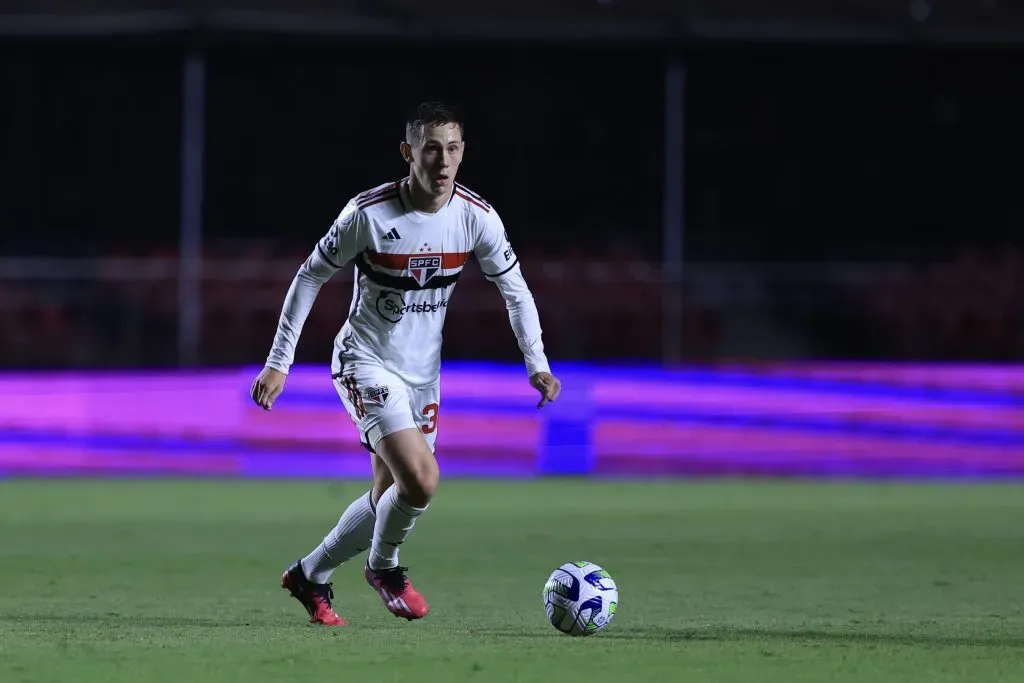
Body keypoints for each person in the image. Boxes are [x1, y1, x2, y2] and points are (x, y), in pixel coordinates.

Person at [249, 101, 561, 626]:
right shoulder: (368, 215)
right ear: (408, 152)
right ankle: (384, 567)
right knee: (420, 480)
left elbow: (515, 290)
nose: (443, 162)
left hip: (422, 374)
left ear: (463, 154)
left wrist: (538, 362)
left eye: (454, 149)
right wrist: (280, 362)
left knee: (388, 493)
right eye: (432, 148)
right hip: (365, 360)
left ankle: (309, 574)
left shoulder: (475, 218)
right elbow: (308, 277)